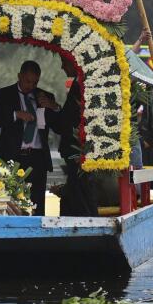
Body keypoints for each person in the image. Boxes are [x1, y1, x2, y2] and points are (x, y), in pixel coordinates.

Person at [0, 60, 61, 216]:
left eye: (35, 82)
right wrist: (15, 114)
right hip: (11, 157)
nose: (31, 86)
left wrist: (54, 107)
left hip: (37, 159)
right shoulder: (4, 94)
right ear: (19, 76)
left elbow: (60, 127)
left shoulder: (46, 96)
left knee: (37, 206)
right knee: (9, 202)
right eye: (27, 81)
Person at [49, 59, 97, 217]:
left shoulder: (83, 85)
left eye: (64, 62)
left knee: (81, 195)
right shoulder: (78, 83)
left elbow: (70, 121)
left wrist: (53, 108)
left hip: (80, 152)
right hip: (74, 151)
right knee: (75, 193)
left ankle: (89, 226)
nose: (62, 66)